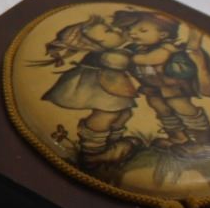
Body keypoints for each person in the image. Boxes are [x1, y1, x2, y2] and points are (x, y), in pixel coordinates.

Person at [36, 16, 140, 165]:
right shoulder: (111, 56)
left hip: (112, 86)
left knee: (124, 114)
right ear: (97, 44)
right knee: (106, 115)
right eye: (109, 31)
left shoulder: (115, 50)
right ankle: (92, 153)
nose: (117, 29)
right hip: (100, 88)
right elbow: (121, 62)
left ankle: (111, 143)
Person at [113, 10, 210, 147]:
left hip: (172, 87)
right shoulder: (136, 48)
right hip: (152, 87)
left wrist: (129, 58)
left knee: (182, 107)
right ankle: (178, 138)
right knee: (160, 108)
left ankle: (202, 140)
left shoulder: (166, 48)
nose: (133, 33)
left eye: (142, 30)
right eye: (130, 29)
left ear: (163, 34)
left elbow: (151, 59)